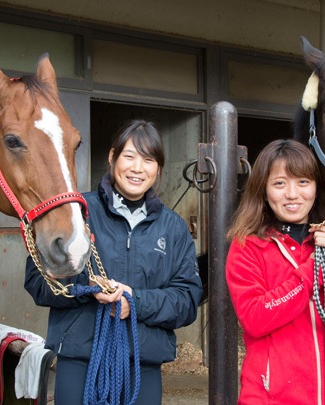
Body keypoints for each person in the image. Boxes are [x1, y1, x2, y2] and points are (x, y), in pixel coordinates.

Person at [24, 119, 203, 405]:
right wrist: (86, 287)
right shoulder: (77, 213)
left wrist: (136, 303)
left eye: (148, 159)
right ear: (112, 157)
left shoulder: (173, 229)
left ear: (158, 168)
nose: (137, 168)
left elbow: (187, 299)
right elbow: (37, 280)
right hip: (80, 359)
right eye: (129, 156)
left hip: (141, 363)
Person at [225, 139, 325, 404]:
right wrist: (311, 275)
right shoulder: (248, 246)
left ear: (316, 187)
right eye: (279, 183)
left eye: (303, 182)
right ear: (263, 191)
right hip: (270, 397)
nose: (292, 194)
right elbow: (254, 317)